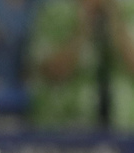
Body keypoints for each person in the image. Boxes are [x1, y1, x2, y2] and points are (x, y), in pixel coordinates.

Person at [26, 0, 134, 130]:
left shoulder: (129, 9)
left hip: (125, 126)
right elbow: (53, 71)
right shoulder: (54, 11)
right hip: (63, 127)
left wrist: (115, 22)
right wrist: (84, 28)